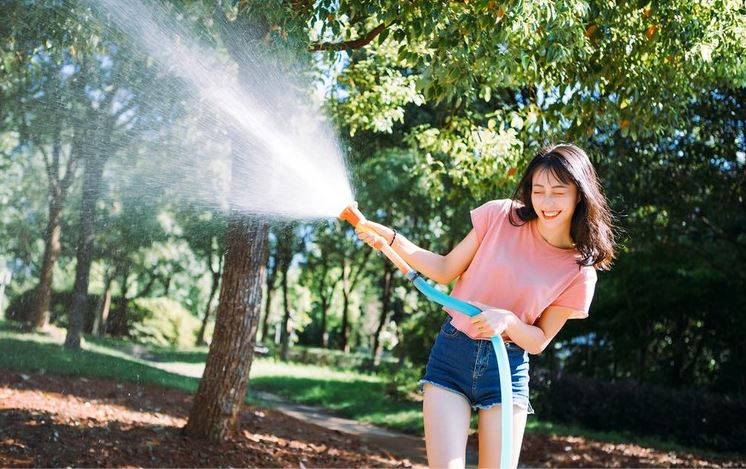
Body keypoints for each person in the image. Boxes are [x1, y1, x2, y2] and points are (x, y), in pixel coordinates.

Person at [356, 144, 616, 468]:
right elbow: (443, 268)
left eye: (558, 192)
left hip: (506, 370)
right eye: (538, 190)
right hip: (452, 355)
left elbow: (539, 340)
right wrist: (390, 239)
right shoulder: (499, 216)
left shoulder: (579, 271)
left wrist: (507, 321)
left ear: (579, 193)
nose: (546, 202)